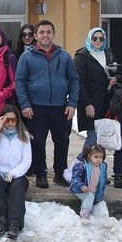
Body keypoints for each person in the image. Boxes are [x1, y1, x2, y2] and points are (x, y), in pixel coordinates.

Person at [15, 19, 78, 189]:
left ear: (53, 34)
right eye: (41, 32)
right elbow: (19, 82)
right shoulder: (27, 57)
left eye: (48, 32)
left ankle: (60, 173)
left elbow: (74, 80)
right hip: (36, 107)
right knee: (38, 142)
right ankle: (41, 173)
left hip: (60, 107)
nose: (45, 35)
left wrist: (72, 103)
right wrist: (25, 104)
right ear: (36, 36)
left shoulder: (64, 56)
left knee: (62, 141)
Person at [0, 105, 33, 240]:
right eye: (7, 120)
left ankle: (15, 223)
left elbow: (27, 160)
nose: (10, 123)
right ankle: (1, 219)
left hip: (17, 173)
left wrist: (14, 173)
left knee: (18, 187)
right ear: (1, 119)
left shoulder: (24, 136)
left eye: (14, 120)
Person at [74, 27, 118, 148]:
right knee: (92, 138)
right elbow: (79, 82)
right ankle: (83, 160)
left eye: (101, 39)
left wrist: (116, 79)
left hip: (107, 101)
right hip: (91, 100)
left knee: (103, 139)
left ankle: (94, 161)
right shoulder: (82, 56)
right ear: (90, 39)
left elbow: (117, 72)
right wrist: (87, 104)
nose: (98, 41)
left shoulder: (108, 54)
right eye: (95, 38)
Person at [70, 143, 108, 223]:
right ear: (89, 156)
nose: (98, 159)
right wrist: (82, 186)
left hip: (93, 190)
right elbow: (75, 178)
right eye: (96, 157)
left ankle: (98, 217)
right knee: (89, 196)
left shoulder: (102, 166)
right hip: (80, 189)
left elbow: (102, 179)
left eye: (101, 157)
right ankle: (84, 215)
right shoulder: (81, 165)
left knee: (94, 199)